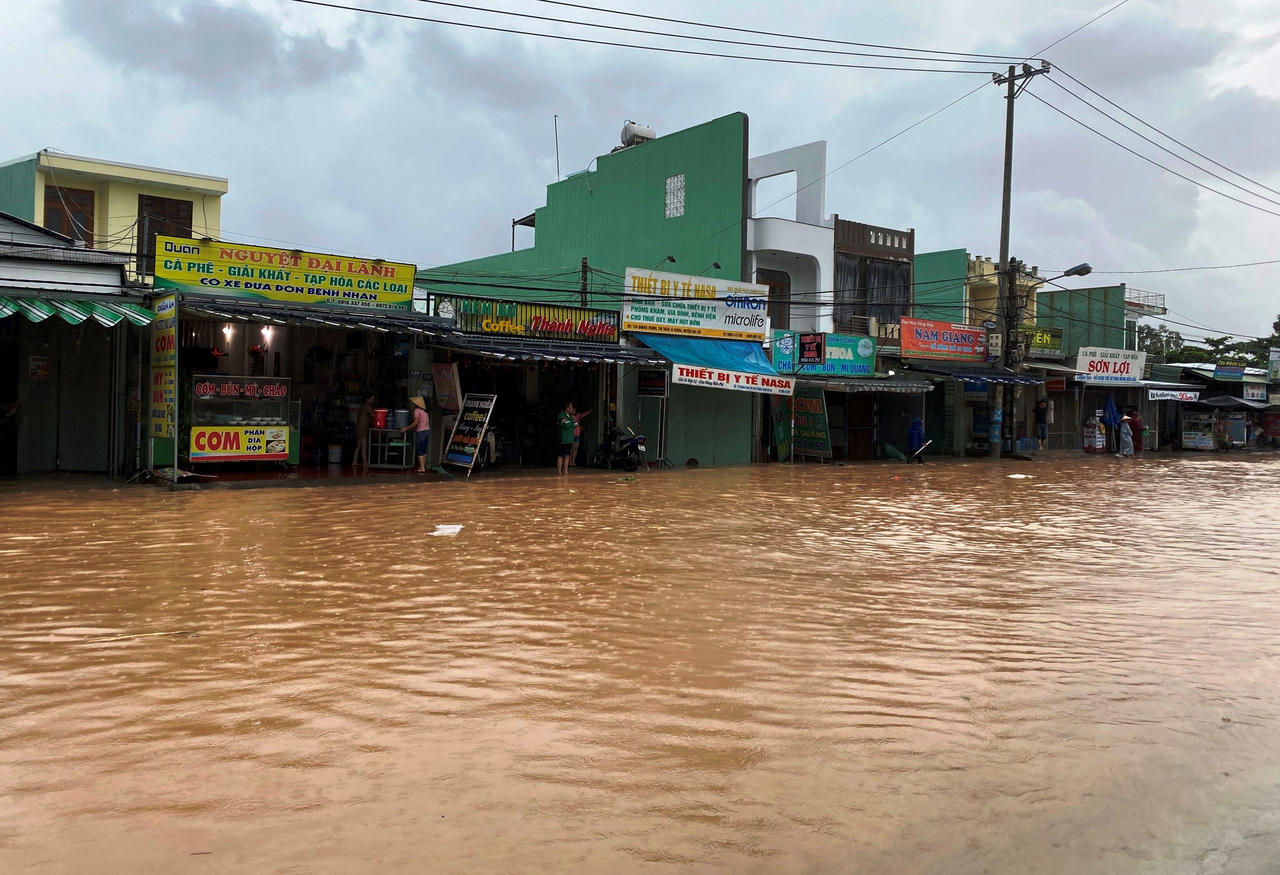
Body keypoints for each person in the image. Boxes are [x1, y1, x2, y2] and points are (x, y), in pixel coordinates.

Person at [401, 395, 430, 473]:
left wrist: (406, 428)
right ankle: (423, 466)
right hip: (427, 431)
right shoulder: (425, 411)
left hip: (421, 432)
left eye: (414, 402)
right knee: (424, 450)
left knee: (420, 449)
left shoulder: (417, 410)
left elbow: (416, 423)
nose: (413, 404)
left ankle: (422, 467)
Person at [353, 392, 375, 470]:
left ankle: (354, 461)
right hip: (362, 428)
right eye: (372, 399)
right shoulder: (368, 406)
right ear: (367, 399)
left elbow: (365, 417)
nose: (373, 401)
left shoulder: (362, 406)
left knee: (358, 445)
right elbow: (373, 416)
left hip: (357, 427)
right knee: (364, 446)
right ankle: (365, 463)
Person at [556, 401, 576, 476]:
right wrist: (571, 422)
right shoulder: (561, 415)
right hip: (563, 439)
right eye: (571, 407)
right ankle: (559, 472)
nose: (572, 409)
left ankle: (565, 471)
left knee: (567, 455)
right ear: (567, 408)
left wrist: (570, 422)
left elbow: (575, 425)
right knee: (561, 455)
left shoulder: (570, 416)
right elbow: (565, 424)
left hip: (570, 439)